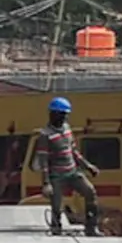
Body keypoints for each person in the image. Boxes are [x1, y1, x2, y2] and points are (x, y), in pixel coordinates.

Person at [35, 98, 98, 234]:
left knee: (90, 191)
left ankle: (91, 227)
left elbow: (74, 151)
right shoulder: (45, 135)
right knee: (57, 205)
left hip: (72, 171)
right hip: (56, 176)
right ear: (53, 114)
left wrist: (88, 166)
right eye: (61, 114)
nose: (64, 118)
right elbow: (43, 161)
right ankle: (56, 229)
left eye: (65, 115)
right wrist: (46, 183)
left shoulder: (67, 129)